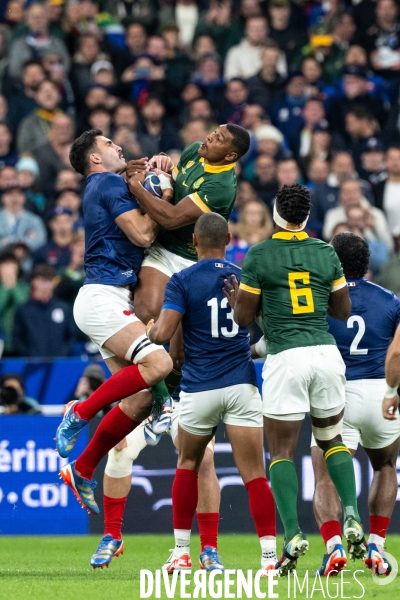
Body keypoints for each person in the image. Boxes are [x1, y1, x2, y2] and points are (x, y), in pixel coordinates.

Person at [91, 123, 250, 570]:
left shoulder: (220, 190)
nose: (210, 138)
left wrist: (137, 185)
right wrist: (163, 164)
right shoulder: (194, 152)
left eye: (219, 139)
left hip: (192, 383)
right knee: (122, 447)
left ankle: (210, 549)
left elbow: (167, 217)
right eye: (214, 131)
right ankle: (111, 536)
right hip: (164, 367)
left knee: (198, 463)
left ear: (231, 157)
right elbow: (175, 175)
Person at [233, 183, 364, 575]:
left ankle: (291, 533)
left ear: (275, 213)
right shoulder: (326, 252)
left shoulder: (259, 254)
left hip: (286, 357)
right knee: (331, 440)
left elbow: (242, 318)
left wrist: (242, 303)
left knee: (282, 452)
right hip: (325, 354)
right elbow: (342, 310)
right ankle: (353, 516)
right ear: (306, 217)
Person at [147, 212, 277, 575]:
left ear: (194, 242)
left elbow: (164, 336)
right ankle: (268, 559)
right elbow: (264, 326)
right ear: (230, 238)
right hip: (240, 384)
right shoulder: (244, 278)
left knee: (188, 465)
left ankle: (180, 554)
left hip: (199, 387)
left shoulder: (182, 279)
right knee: (254, 475)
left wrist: (150, 328)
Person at [56, 129, 172, 516]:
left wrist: (138, 176)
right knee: (159, 364)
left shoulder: (107, 181)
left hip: (108, 298)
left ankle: (84, 467)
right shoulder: (105, 181)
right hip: (103, 297)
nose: (118, 146)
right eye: (108, 144)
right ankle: (81, 411)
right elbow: (141, 234)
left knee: (139, 398)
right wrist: (163, 200)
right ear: (94, 159)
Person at [311, 232, 400, 577]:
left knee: (325, 476)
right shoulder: (391, 300)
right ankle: (376, 545)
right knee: (386, 466)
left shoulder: (321, 300)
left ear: (333, 262)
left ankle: (334, 547)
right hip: (381, 391)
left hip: (338, 394)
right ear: (367, 264)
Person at [13, 264, 77, 358]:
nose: (46, 286)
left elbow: (71, 336)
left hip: (59, 363)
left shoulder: (64, 308)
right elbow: (17, 338)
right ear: (34, 282)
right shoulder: (23, 310)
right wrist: (29, 355)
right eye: (43, 281)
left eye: (50, 281)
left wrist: (63, 354)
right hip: (31, 364)